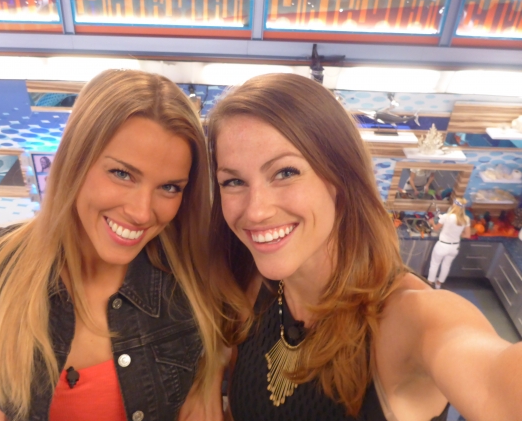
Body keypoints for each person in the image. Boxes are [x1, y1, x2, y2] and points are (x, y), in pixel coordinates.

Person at [207, 73, 522, 421]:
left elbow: (493, 380)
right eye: (233, 181)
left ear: (341, 177)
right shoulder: (251, 286)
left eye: (285, 173)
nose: (255, 211)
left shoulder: (410, 319)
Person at [0, 70, 225, 421]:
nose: (142, 213)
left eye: (169, 187)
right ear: (75, 159)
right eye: (122, 174)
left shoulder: (194, 287)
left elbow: (201, 407)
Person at [428, 198, 471, 289]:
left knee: (434, 264)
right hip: (454, 247)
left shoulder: (446, 217)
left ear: (454, 205)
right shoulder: (466, 219)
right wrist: (458, 233)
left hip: (442, 245)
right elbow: (467, 235)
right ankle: (438, 284)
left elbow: (436, 228)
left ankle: (430, 283)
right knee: (446, 265)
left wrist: (432, 223)